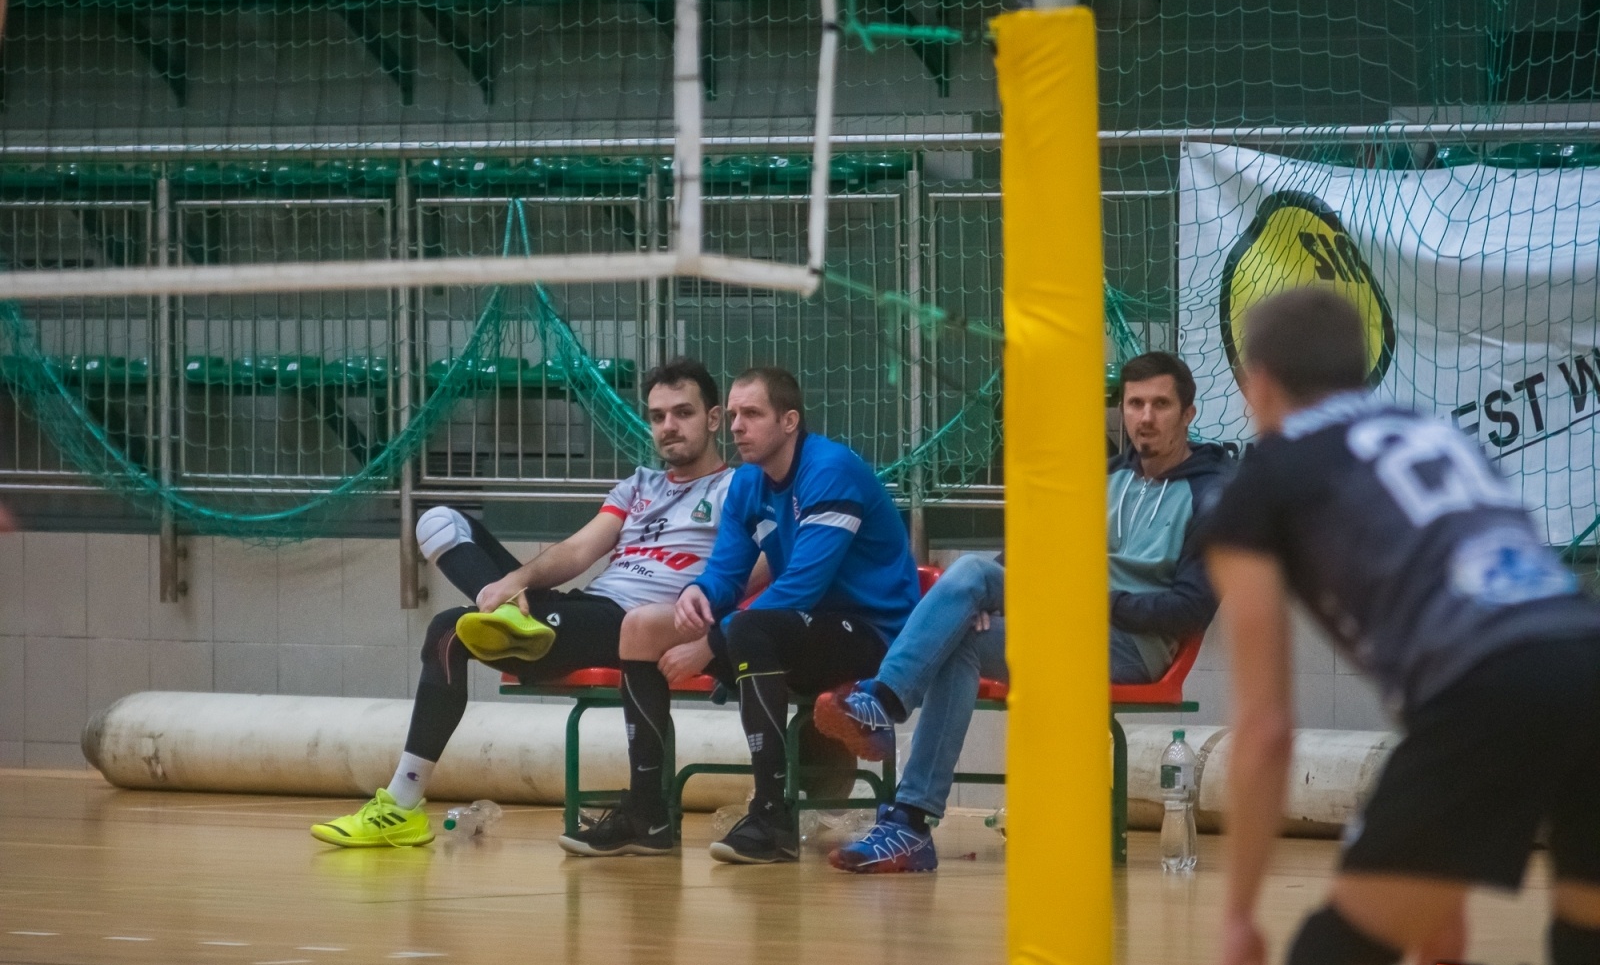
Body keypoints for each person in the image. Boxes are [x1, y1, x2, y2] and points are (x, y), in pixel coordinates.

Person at [1202, 288, 1600, 965]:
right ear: (1358, 371)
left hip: (1489, 690)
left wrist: (1236, 919)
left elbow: (1264, 730)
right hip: (1584, 651)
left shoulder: (1266, 481)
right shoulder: (1436, 433)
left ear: (1255, 381)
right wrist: (1439, 889)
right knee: (1583, 957)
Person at [813, 351, 1228, 873]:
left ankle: (883, 706)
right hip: (1063, 625)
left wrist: (1087, 600)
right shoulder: (1103, 479)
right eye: (1135, 403)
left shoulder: (1213, 493)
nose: (1146, 417)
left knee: (971, 586)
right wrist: (984, 603)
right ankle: (909, 823)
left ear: (1188, 414)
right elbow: (1025, 554)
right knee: (964, 606)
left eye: (1161, 405)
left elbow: (1189, 608)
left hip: (1129, 647)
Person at [311, 358, 736, 848]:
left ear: (714, 418)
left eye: (682, 413)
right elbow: (578, 551)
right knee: (439, 520)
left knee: (449, 631)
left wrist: (709, 637)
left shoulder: (734, 489)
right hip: (588, 609)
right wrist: (515, 580)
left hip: (635, 625)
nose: (668, 426)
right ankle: (514, 618)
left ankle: (401, 805)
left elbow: (754, 571)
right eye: (658, 416)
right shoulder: (639, 485)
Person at [562, 366, 922, 864]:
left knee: (750, 628)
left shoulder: (830, 471)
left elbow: (801, 586)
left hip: (870, 636)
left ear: (789, 420)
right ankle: (648, 815)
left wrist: (711, 643)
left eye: (751, 414)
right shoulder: (749, 483)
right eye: (732, 415)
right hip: (793, 629)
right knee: (641, 625)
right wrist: (696, 593)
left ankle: (771, 819)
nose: (735, 426)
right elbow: (726, 574)